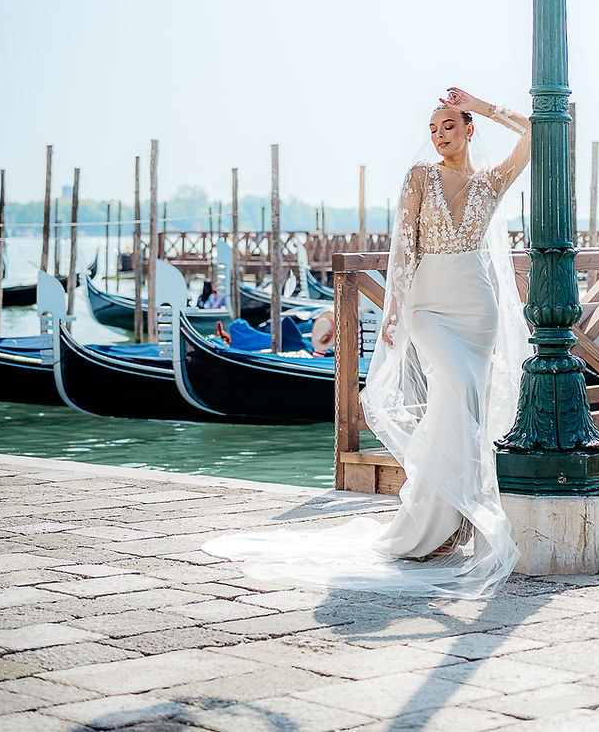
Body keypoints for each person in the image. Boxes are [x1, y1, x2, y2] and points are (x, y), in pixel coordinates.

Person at [204, 86, 531, 599]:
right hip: (431, 309)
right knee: (454, 390)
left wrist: (481, 103)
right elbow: (404, 249)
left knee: (464, 404)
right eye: (433, 129)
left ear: (469, 130)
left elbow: (533, 132)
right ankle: (440, 519)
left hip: (477, 310)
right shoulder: (420, 177)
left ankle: (451, 522)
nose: (439, 136)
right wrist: (394, 311)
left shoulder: (492, 182)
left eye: (449, 125)